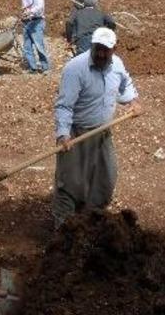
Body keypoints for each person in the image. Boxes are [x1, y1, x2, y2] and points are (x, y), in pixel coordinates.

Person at [53, 27, 141, 227]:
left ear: (114, 49)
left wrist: (132, 101)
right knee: (70, 184)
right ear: (92, 46)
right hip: (76, 135)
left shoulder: (117, 65)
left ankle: (92, 223)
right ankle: (63, 230)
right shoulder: (75, 69)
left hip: (103, 133)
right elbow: (64, 106)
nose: (101, 54)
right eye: (98, 49)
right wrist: (63, 134)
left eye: (106, 50)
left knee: (105, 180)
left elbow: (125, 85)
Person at [19, 0, 50, 74]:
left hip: (36, 21)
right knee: (27, 46)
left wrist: (29, 12)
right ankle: (33, 68)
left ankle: (45, 67)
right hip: (26, 22)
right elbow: (25, 6)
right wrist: (23, 13)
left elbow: (40, 6)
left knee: (39, 45)